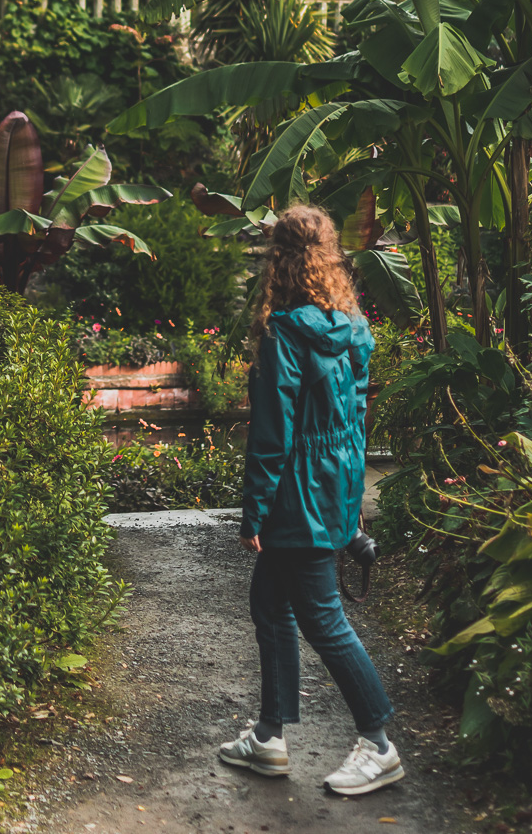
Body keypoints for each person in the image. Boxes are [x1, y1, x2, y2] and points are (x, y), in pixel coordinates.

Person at [218, 204, 403, 796]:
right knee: (270, 606)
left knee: (323, 618)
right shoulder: (352, 330)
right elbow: (354, 423)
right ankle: (270, 737)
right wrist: (349, 505)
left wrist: (254, 512)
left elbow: (273, 436)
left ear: (281, 261)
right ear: (328, 259)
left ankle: (379, 746)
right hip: (333, 488)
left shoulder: (284, 335)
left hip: (297, 494)